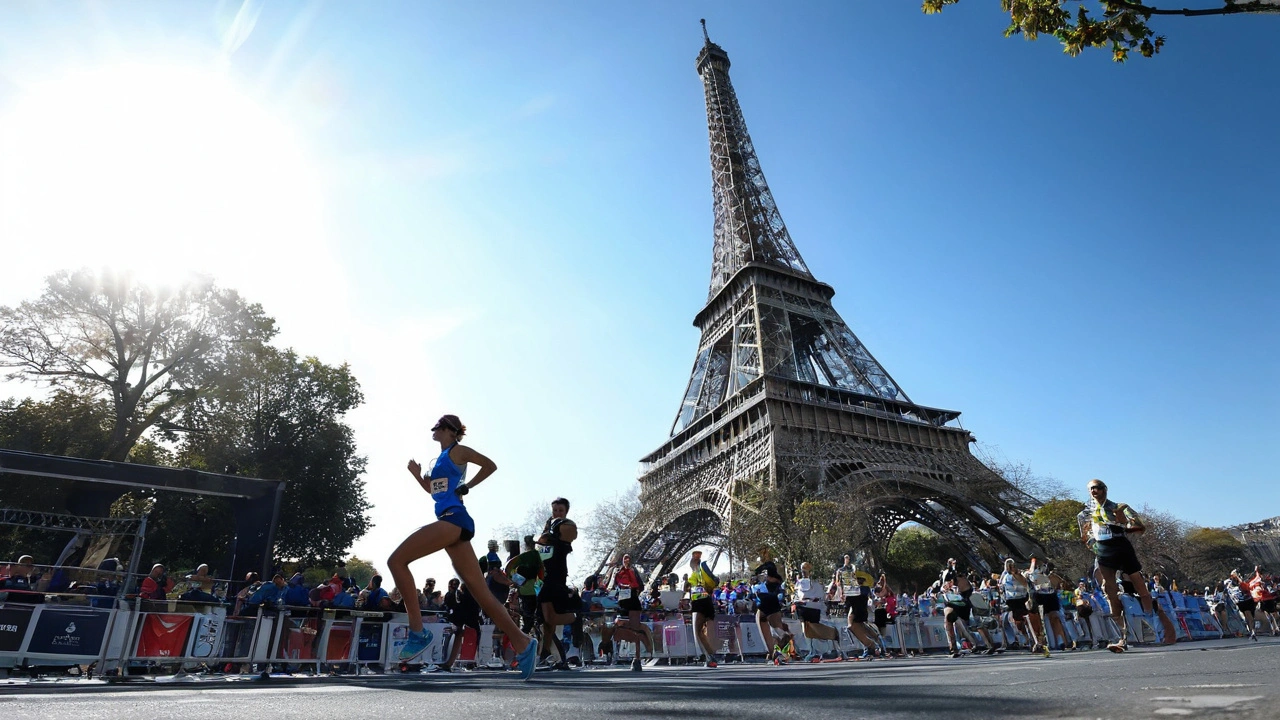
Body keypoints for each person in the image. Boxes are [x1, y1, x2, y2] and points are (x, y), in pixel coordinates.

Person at [385, 414, 537, 679]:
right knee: (483, 596)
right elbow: (434, 491)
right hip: (452, 522)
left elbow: (490, 465)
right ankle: (523, 642)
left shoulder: (459, 450)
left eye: (436, 427)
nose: (432, 431)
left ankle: (418, 632)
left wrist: (467, 486)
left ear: (447, 429)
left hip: (454, 519)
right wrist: (418, 476)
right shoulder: (441, 458)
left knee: (396, 561)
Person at [1076, 478, 1168, 653]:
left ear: (1105, 489)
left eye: (1097, 488)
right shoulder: (1084, 514)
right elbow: (1085, 536)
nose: (1094, 491)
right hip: (1103, 549)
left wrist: (1122, 525)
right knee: (1108, 588)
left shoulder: (1119, 507)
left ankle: (1150, 620)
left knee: (1137, 582)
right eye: (1091, 489)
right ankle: (1121, 633)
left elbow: (1139, 526)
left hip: (1121, 545)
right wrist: (1096, 546)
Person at [536, 504, 579, 669]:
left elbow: (570, 534)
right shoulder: (549, 527)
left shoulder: (566, 526)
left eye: (560, 510)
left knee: (550, 618)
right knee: (547, 621)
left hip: (557, 576)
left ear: (566, 511)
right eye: (555, 510)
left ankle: (575, 617)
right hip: (545, 576)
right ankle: (545, 652)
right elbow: (541, 545)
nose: (557, 513)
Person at [752, 547, 794, 665]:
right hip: (764, 603)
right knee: (768, 629)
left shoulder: (771, 573)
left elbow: (773, 580)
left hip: (770, 602)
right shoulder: (763, 576)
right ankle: (773, 654)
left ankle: (780, 652)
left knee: (778, 630)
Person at [611, 552, 653, 671]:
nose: (627, 560)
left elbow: (640, 586)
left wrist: (632, 590)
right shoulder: (619, 572)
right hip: (624, 601)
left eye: (628, 558)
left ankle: (637, 657)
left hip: (632, 600)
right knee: (622, 626)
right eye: (625, 558)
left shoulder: (633, 572)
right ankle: (623, 653)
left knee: (635, 628)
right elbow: (614, 585)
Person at [794, 562, 841, 662]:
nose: (804, 572)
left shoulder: (813, 584)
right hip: (805, 608)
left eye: (806, 570)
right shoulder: (801, 583)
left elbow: (820, 597)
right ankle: (814, 651)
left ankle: (816, 651)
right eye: (803, 569)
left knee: (810, 629)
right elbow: (797, 595)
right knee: (807, 629)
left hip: (811, 608)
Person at [685, 551, 721, 667]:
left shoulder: (695, 573)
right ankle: (711, 655)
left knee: (698, 630)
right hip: (707, 601)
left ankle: (710, 656)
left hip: (699, 601)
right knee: (706, 630)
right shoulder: (703, 572)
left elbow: (690, 588)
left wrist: (687, 585)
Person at [505, 535, 545, 634]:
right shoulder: (540, 555)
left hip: (525, 590)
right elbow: (544, 573)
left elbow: (508, 568)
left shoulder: (523, 557)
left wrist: (516, 580)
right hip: (538, 590)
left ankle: (524, 639)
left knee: (528, 619)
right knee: (539, 618)